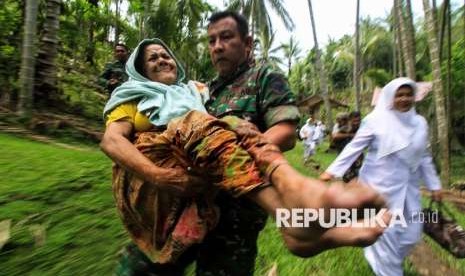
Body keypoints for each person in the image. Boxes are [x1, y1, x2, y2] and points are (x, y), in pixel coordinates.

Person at [101, 21, 389, 276]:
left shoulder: (198, 90)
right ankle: (290, 216)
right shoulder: (134, 96)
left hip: (209, 203)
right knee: (206, 124)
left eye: (166, 55)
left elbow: (286, 131)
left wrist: (228, 139)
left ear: (248, 43)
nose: (217, 47)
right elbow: (112, 140)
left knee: (230, 124)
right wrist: (160, 176)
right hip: (156, 188)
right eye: (153, 58)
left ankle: (295, 209)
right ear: (139, 70)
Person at [320, 77, 443, 276]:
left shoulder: (420, 123)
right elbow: (355, 147)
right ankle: (387, 268)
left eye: (408, 94)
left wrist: (434, 185)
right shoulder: (375, 121)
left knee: (411, 236)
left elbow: (424, 156)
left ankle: (380, 258)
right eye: (399, 95)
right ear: (390, 97)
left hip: (409, 190)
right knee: (386, 233)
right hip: (378, 189)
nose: (404, 99)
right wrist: (333, 171)